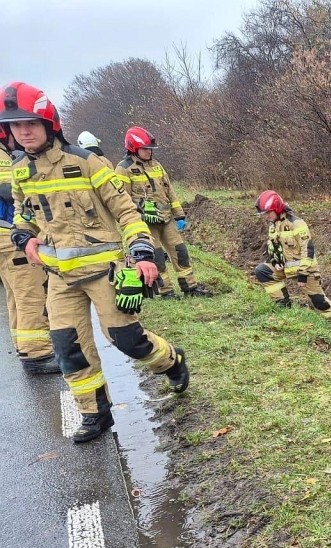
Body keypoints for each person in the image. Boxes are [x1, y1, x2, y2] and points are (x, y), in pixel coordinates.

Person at [1, 82, 189, 443]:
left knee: (128, 339)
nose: (23, 131)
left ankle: (172, 362)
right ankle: (95, 414)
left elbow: (127, 212)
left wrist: (142, 253)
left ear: (48, 123)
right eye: (15, 125)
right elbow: (24, 215)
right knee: (69, 349)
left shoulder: (87, 162)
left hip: (105, 272)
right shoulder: (20, 168)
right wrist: (23, 237)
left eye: (30, 123)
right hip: (60, 278)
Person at [116, 125, 210, 298]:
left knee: (180, 252)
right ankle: (166, 291)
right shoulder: (123, 169)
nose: (149, 152)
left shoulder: (157, 166)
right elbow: (122, 199)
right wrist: (138, 217)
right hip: (145, 224)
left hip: (166, 220)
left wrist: (179, 214)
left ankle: (190, 287)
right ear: (134, 148)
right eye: (146, 149)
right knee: (157, 257)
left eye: (151, 149)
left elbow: (170, 192)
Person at [0, 122, 60, 374]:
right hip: (8, 236)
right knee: (31, 294)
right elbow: (7, 190)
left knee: (15, 296)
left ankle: (24, 346)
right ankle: (38, 356)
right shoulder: (2, 156)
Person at [253, 190, 331, 320]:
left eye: (267, 213)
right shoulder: (273, 226)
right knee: (262, 271)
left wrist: (303, 274)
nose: (266, 217)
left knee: (320, 303)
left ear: (276, 208)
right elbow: (273, 247)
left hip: (306, 271)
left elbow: (307, 249)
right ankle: (283, 307)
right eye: (264, 214)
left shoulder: (297, 223)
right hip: (286, 269)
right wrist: (276, 261)